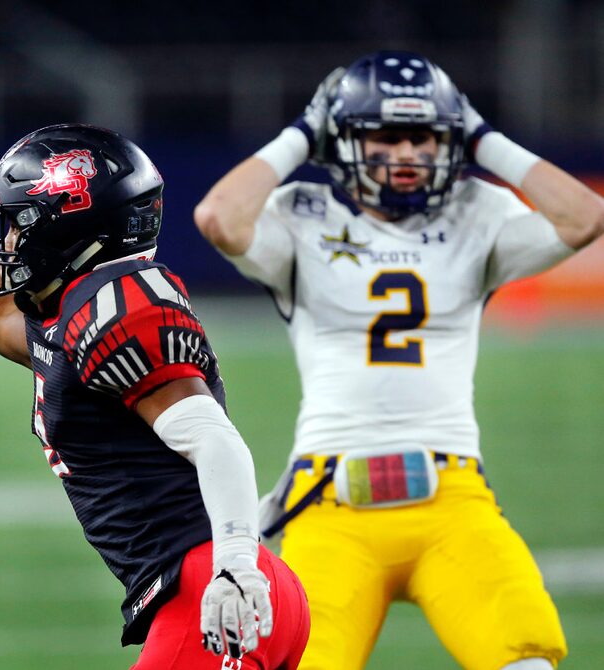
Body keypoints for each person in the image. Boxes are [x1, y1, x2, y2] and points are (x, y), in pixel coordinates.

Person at [194, 50, 604, 670]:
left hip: (453, 501)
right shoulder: (304, 213)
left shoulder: (478, 211)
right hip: (331, 504)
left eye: (424, 137)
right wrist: (302, 133)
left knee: (528, 661)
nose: (407, 154)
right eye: (386, 136)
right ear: (345, 140)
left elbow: (585, 218)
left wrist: (484, 137)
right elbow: (218, 218)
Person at [0, 81, 310, 669]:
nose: (4, 240)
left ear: (63, 228)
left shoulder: (118, 303)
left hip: (215, 591)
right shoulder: (79, 304)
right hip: (228, 589)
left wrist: (236, 564)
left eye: (17, 222)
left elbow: (214, 438)